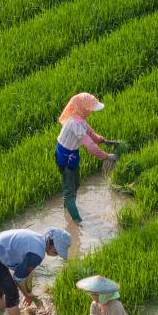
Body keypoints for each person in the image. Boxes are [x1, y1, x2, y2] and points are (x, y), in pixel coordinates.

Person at [0, 228, 71, 315]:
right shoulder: (37, 254)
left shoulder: (38, 240)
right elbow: (18, 278)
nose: (57, 255)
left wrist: (29, 291)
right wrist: (27, 294)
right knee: (12, 294)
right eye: (57, 252)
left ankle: (0, 313)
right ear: (53, 246)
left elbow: (28, 272)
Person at [56, 93, 118, 222]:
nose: (90, 112)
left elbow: (90, 133)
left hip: (73, 154)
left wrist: (103, 140)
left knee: (76, 183)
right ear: (82, 108)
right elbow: (90, 146)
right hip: (64, 156)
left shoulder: (79, 118)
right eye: (89, 109)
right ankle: (77, 222)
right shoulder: (75, 123)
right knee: (69, 191)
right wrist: (107, 156)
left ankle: (67, 207)